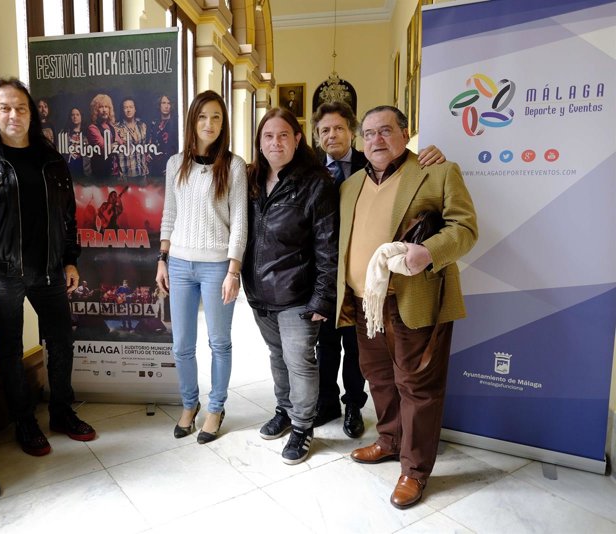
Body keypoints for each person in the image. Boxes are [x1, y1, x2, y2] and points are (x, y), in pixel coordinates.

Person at [336, 105, 477, 509]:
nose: (376, 140)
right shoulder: (350, 185)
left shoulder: (437, 171)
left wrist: (428, 252)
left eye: (385, 131)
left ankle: (414, 470)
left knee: (417, 387)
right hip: (367, 302)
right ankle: (389, 440)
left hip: (415, 300)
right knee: (379, 377)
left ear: (405, 133)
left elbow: (465, 228)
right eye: (368, 134)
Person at [0, 78, 96, 458]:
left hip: (50, 269)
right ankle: (24, 421)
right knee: (10, 350)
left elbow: (68, 216)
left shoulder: (51, 159)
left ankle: (62, 412)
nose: (13, 114)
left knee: (61, 341)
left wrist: (70, 259)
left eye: (21, 107)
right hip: (1, 275)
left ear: (31, 114)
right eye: (5, 108)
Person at [310, 101, 446, 437]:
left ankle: (355, 407)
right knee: (333, 350)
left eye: (338, 128)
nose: (331, 135)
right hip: (334, 282)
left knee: (370, 359)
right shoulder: (314, 171)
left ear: (351, 133)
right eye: (324, 130)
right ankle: (331, 405)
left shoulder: (381, 163)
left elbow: (457, 222)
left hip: (393, 291)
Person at [242, 107, 337, 465]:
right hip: (259, 293)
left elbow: (328, 246)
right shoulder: (250, 180)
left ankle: (302, 426)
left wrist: (322, 298)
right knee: (277, 356)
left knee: (300, 362)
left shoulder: (316, 183)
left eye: (283, 135)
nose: (276, 142)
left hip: (299, 294)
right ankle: (283, 410)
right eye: (268, 136)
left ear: (298, 139)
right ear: (259, 142)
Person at [156, 90, 247, 445]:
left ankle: (216, 408)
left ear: (224, 124)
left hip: (217, 267)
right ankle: (189, 404)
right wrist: (162, 259)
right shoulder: (175, 164)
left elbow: (239, 223)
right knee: (181, 345)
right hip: (179, 264)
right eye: (202, 116)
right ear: (192, 121)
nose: (209, 124)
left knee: (219, 342)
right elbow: (169, 213)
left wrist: (233, 271)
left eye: (216, 117)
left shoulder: (234, 166)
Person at [87, 93, 122, 179]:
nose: (104, 110)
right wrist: (116, 144)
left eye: (106, 107)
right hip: (101, 173)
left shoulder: (111, 126)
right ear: (95, 110)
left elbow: (121, 144)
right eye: (101, 107)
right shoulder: (92, 128)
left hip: (114, 172)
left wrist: (115, 144)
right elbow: (105, 148)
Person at [115, 97, 149, 181]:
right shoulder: (117, 128)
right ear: (122, 110)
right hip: (125, 174)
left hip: (142, 172)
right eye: (125, 107)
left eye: (131, 107)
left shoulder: (142, 125)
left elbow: (145, 147)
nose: (128, 110)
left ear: (135, 109)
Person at [148, 94, 178, 178]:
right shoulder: (154, 123)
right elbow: (151, 141)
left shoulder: (176, 123)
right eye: (163, 103)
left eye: (169, 103)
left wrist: (174, 166)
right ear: (159, 105)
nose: (166, 106)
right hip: (155, 166)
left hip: (171, 164)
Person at [62, 106, 90, 182]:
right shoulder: (64, 133)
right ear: (70, 117)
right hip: (69, 167)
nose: (75, 117)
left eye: (77, 114)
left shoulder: (87, 133)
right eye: (72, 115)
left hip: (84, 168)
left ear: (81, 116)